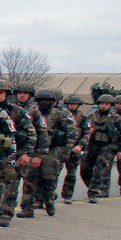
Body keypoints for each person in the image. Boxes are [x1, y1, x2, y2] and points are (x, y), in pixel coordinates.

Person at [16, 89, 77, 217]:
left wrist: (67, 150)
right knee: (29, 179)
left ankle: (49, 200)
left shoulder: (61, 114)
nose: (44, 103)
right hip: (34, 149)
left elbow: (72, 132)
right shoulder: (32, 113)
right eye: (41, 100)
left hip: (52, 150)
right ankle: (27, 207)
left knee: (48, 179)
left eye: (47, 101)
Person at [0, 79, 37, 232]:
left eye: (1, 93)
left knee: (7, 188)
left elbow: (32, 134)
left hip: (11, 156)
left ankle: (3, 216)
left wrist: (28, 154)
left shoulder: (18, 112)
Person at [77, 94, 121, 203]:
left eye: (106, 104)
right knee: (84, 168)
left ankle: (93, 193)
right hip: (92, 145)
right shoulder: (91, 116)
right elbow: (83, 130)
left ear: (110, 105)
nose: (103, 106)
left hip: (107, 147)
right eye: (102, 104)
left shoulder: (116, 118)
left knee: (99, 170)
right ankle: (92, 186)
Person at [59, 93, 89, 203]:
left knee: (71, 173)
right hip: (61, 147)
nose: (72, 106)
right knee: (54, 172)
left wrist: (80, 145)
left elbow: (87, 133)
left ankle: (67, 195)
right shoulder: (61, 114)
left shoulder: (83, 117)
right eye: (70, 104)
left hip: (75, 148)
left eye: (75, 104)